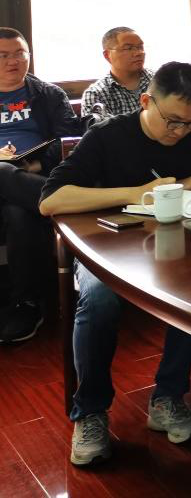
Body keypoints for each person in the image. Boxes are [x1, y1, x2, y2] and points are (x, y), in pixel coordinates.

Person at [40, 61, 191, 467]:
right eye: (173, 121)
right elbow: (51, 200)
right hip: (107, 244)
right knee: (98, 301)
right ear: (147, 101)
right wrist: (137, 192)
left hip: (175, 244)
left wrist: (189, 183)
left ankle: (168, 397)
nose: (180, 131)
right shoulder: (108, 135)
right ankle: (90, 411)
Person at [0, 27, 79, 343]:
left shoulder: (48, 95)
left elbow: (66, 139)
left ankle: (27, 304)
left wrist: (34, 164)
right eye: (3, 55)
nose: (13, 61)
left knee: (19, 213)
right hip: (28, 183)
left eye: (20, 53)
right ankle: (63, 202)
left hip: (32, 174)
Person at [81, 27, 153, 125]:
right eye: (128, 48)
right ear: (107, 55)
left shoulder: (160, 80)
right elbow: (98, 133)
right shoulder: (96, 94)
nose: (139, 53)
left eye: (140, 47)